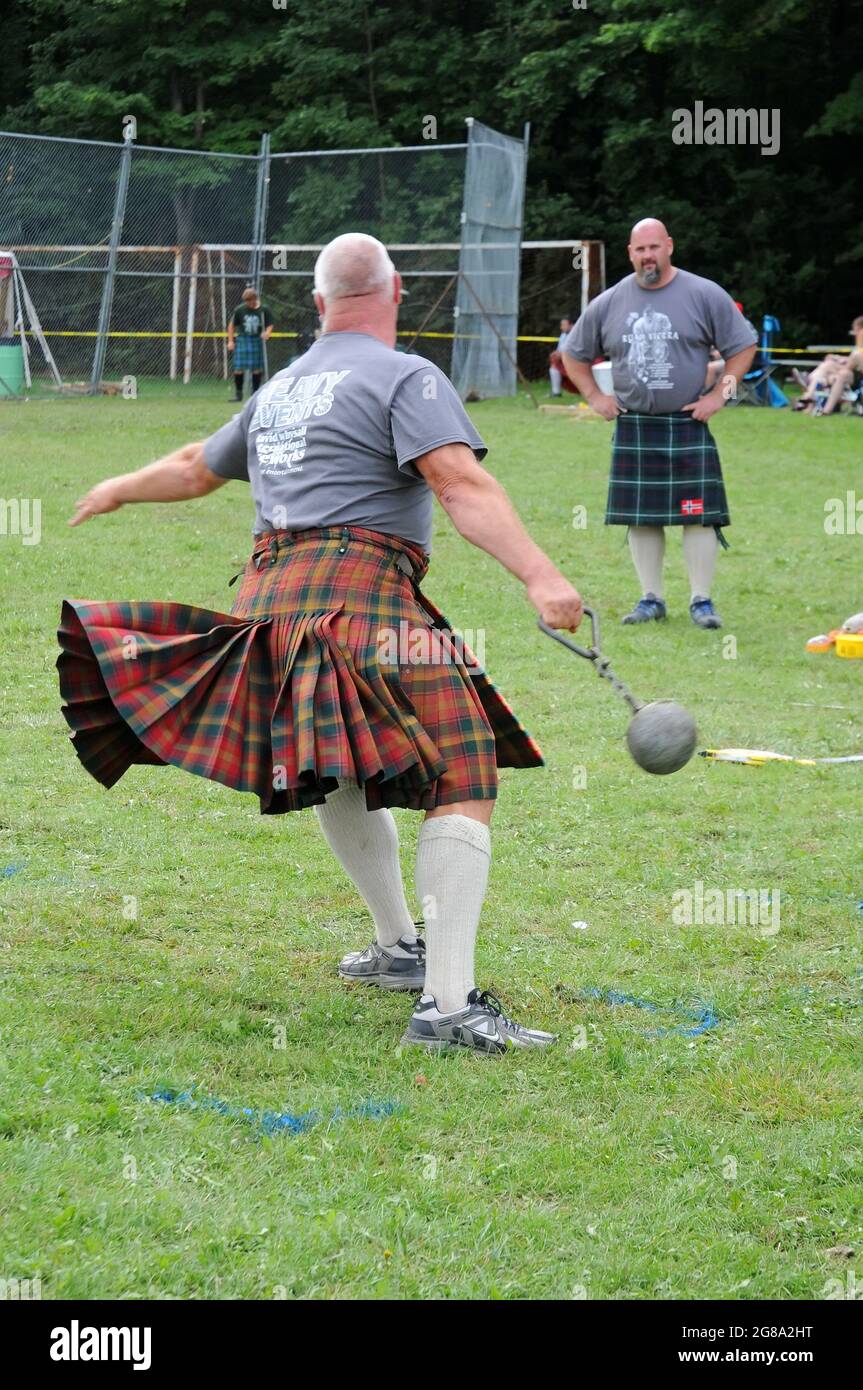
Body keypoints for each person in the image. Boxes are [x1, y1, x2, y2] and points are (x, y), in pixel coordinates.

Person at [57, 232, 584, 1056]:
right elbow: (457, 483)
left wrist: (118, 489)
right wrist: (541, 576)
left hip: (268, 608)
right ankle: (447, 1008)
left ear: (316, 303)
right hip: (360, 595)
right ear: (395, 291)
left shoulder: (278, 388)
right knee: (462, 768)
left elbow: (195, 468)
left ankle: (397, 948)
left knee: (338, 759)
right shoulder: (407, 375)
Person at [562, 219, 757, 630]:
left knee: (698, 513)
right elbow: (573, 354)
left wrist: (719, 396)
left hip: (686, 421)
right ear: (630, 253)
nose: (647, 256)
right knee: (641, 515)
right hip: (635, 424)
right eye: (640, 249)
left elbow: (743, 346)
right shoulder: (611, 301)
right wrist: (595, 397)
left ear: (669, 246)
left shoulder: (703, 293)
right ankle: (651, 598)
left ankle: (701, 600)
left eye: (654, 247)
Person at [227, 286, 274, 400]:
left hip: (256, 340)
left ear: (255, 299)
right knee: (238, 368)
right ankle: (238, 394)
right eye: (246, 301)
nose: (248, 304)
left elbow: (270, 324)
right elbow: (231, 326)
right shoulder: (240, 309)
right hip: (243, 339)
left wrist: (267, 332)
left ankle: (255, 394)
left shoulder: (264, 309)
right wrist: (230, 341)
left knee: (256, 368)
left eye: (250, 301)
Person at [817, 315, 863, 416]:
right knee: (840, 373)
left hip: (858, 377)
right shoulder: (859, 343)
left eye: (854, 328)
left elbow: (856, 358)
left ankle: (812, 394)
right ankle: (825, 410)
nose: (853, 331)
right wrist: (838, 358)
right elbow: (854, 359)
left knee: (831, 368)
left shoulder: (861, 338)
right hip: (855, 375)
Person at [549, 316, 573, 396]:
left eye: (564, 325)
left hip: (576, 362)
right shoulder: (563, 335)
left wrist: (562, 354)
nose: (561, 327)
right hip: (564, 360)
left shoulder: (577, 335)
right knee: (553, 367)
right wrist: (555, 353)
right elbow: (559, 349)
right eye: (561, 325)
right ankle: (556, 392)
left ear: (571, 325)